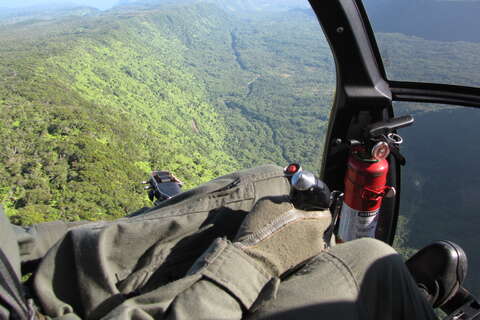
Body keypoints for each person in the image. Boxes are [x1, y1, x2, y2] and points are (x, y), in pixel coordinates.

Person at [0, 164, 460, 319]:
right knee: (369, 263)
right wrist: (257, 258)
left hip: (45, 277)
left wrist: (49, 243)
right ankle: (408, 302)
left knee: (266, 186)